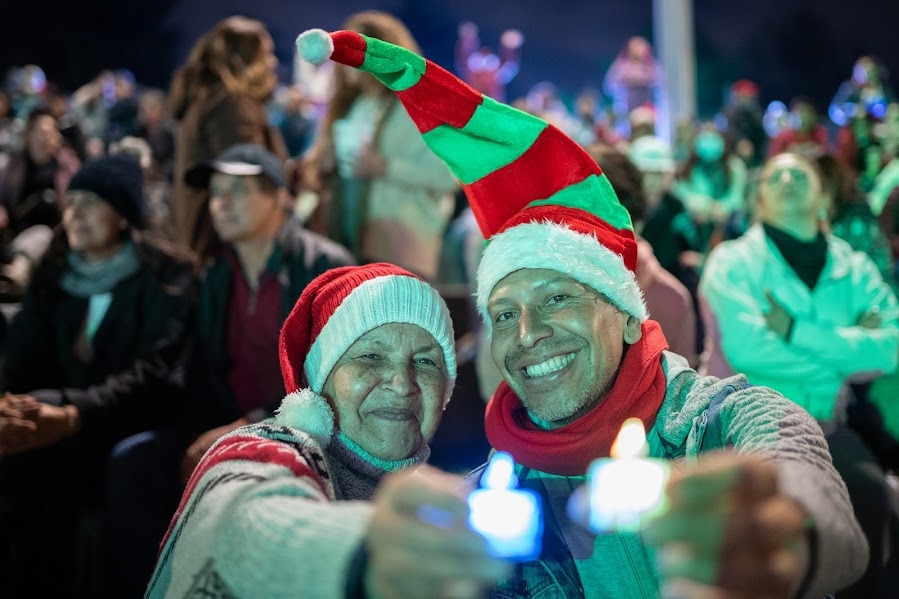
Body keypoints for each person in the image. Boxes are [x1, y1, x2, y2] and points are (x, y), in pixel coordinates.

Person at [296, 27, 869, 597]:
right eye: (503, 314)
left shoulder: (717, 422)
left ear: (625, 314)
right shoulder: (496, 501)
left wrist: (786, 536)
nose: (527, 334)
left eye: (557, 298)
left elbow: (807, 485)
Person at [147, 263, 512, 598]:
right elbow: (240, 520)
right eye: (370, 356)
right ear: (320, 380)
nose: (403, 384)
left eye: (425, 361)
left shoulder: (455, 501)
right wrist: (360, 558)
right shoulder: (262, 446)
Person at [103, 143, 355, 597]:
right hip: (230, 424)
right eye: (216, 192)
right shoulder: (216, 273)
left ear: (279, 196)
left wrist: (247, 426)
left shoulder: (325, 266)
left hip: (307, 431)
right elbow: (201, 370)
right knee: (134, 464)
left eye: (236, 190)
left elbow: (336, 382)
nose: (220, 203)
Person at [700, 152, 899, 597]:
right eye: (775, 175)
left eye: (799, 172)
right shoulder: (731, 262)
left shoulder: (854, 267)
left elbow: (892, 344)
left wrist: (795, 330)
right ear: (758, 200)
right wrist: (842, 359)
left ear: (823, 195)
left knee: (870, 501)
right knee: (773, 527)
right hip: (746, 426)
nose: (787, 177)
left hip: (827, 424)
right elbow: (749, 349)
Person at [0, 154, 196, 597]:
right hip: (55, 423)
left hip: (124, 419)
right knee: (34, 454)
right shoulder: (56, 273)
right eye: (71, 203)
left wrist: (71, 412)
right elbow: (21, 353)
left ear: (123, 215)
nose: (75, 215)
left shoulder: (164, 278)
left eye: (92, 202)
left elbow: (154, 375)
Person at [303, 11, 458, 279]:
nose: (345, 59)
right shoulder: (350, 106)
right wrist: (324, 164)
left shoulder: (418, 108)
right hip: (353, 241)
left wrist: (386, 167)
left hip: (405, 245)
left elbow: (449, 174)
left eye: (355, 49)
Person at [168, 15, 288, 263]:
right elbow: (247, 173)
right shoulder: (231, 104)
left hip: (207, 238)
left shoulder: (208, 100)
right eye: (266, 54)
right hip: (225, 247)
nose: (273, 63)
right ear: (244, 59)